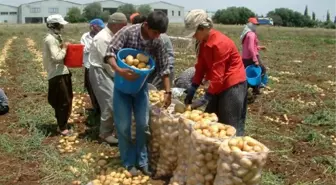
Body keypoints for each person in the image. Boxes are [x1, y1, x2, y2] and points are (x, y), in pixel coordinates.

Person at [105, 11, 172, 176]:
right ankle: (128, 162)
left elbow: (164, 68)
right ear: (146, 25)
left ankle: (143, 161)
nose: (157, 37)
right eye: (155, 32)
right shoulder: (128, 32)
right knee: (123, 126)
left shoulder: (157, 41)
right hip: (121, 87)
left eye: (160, 34)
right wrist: (120, 70)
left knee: (143, 125)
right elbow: (110, 53)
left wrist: (168, 92)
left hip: (141, 88)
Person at [183, 9, 248, 136]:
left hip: (232, 84)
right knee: (210, 119)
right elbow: (201, 66)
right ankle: (215, 151)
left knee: (228, 124)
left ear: (202, 28)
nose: (193, 36)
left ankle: (233, 151)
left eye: (194, 32)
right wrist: (193, 86)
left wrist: (206, 98)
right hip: (218, 84)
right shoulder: (202, 43)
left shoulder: (220, 43)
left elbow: (219, 75)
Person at [88, 13, 128, 144]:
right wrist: (121, 76)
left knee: (115, 100)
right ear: (115, 24)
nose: (124, 29)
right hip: (100, 71)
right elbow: (107, 62)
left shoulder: (112, 36)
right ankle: (105, 133)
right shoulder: (102, 38)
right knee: (109, 101)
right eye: (123, 26)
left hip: (108, 70)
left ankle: (115, 129)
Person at [43, 14, 73, 136]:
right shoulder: (50, 39)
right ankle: (62, 127)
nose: (62, 27)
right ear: (54, 26)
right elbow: (57, 57)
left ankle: (62, 123)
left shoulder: (56, 37)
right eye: (60, 25)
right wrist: (65, 48)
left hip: (62, 71)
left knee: (67, 98)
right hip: (57, 73)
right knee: (63, 101)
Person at [130, 13, 175, 89]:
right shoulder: (131, 33)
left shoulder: (158, 39)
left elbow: (165, 66)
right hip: (152, 70)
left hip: (162, 71)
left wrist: (168, 91)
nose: (157, 35)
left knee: (155, 91)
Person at [80, 18, 105, 115]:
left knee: (100, 87)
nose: (100, 29)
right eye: (99, 27)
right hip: (88, 65)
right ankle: (96, 108)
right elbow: (83, 50)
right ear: (93, 26)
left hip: (99, 66)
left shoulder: (102, 36)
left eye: (101, 27)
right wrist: (94, 45)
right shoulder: (85, 36)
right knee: (90, 87)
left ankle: (102, 107)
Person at [240, 17, 267, 95]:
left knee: (247, 74)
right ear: (250, 24)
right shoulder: (251, 34)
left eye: (256, 24)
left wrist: (259, 47)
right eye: (254, 24)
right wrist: (255, 59)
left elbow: (250, 47)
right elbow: (251, 48)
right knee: (262, 70)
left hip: (245, 58)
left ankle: (245, 90)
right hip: (251, 57)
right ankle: (256, 88)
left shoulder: (246, 33)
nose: (255, 26)